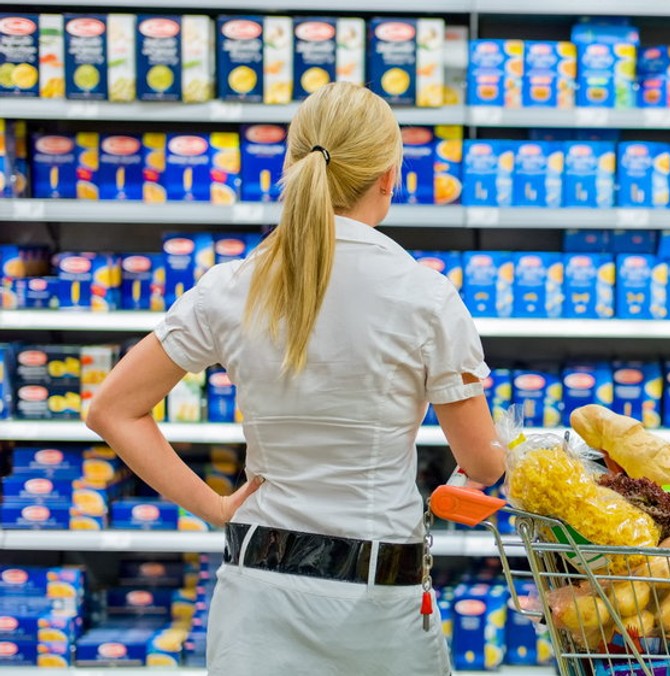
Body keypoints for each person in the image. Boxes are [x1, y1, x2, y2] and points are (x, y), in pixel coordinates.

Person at [86, 82, 506, 675]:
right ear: (388, 177)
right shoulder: (426, 297)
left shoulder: (231, 285)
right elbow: (483, 467)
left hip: (255, 597)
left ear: (292, 163)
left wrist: (213, 506)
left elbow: (112, 408)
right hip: (375, 604)